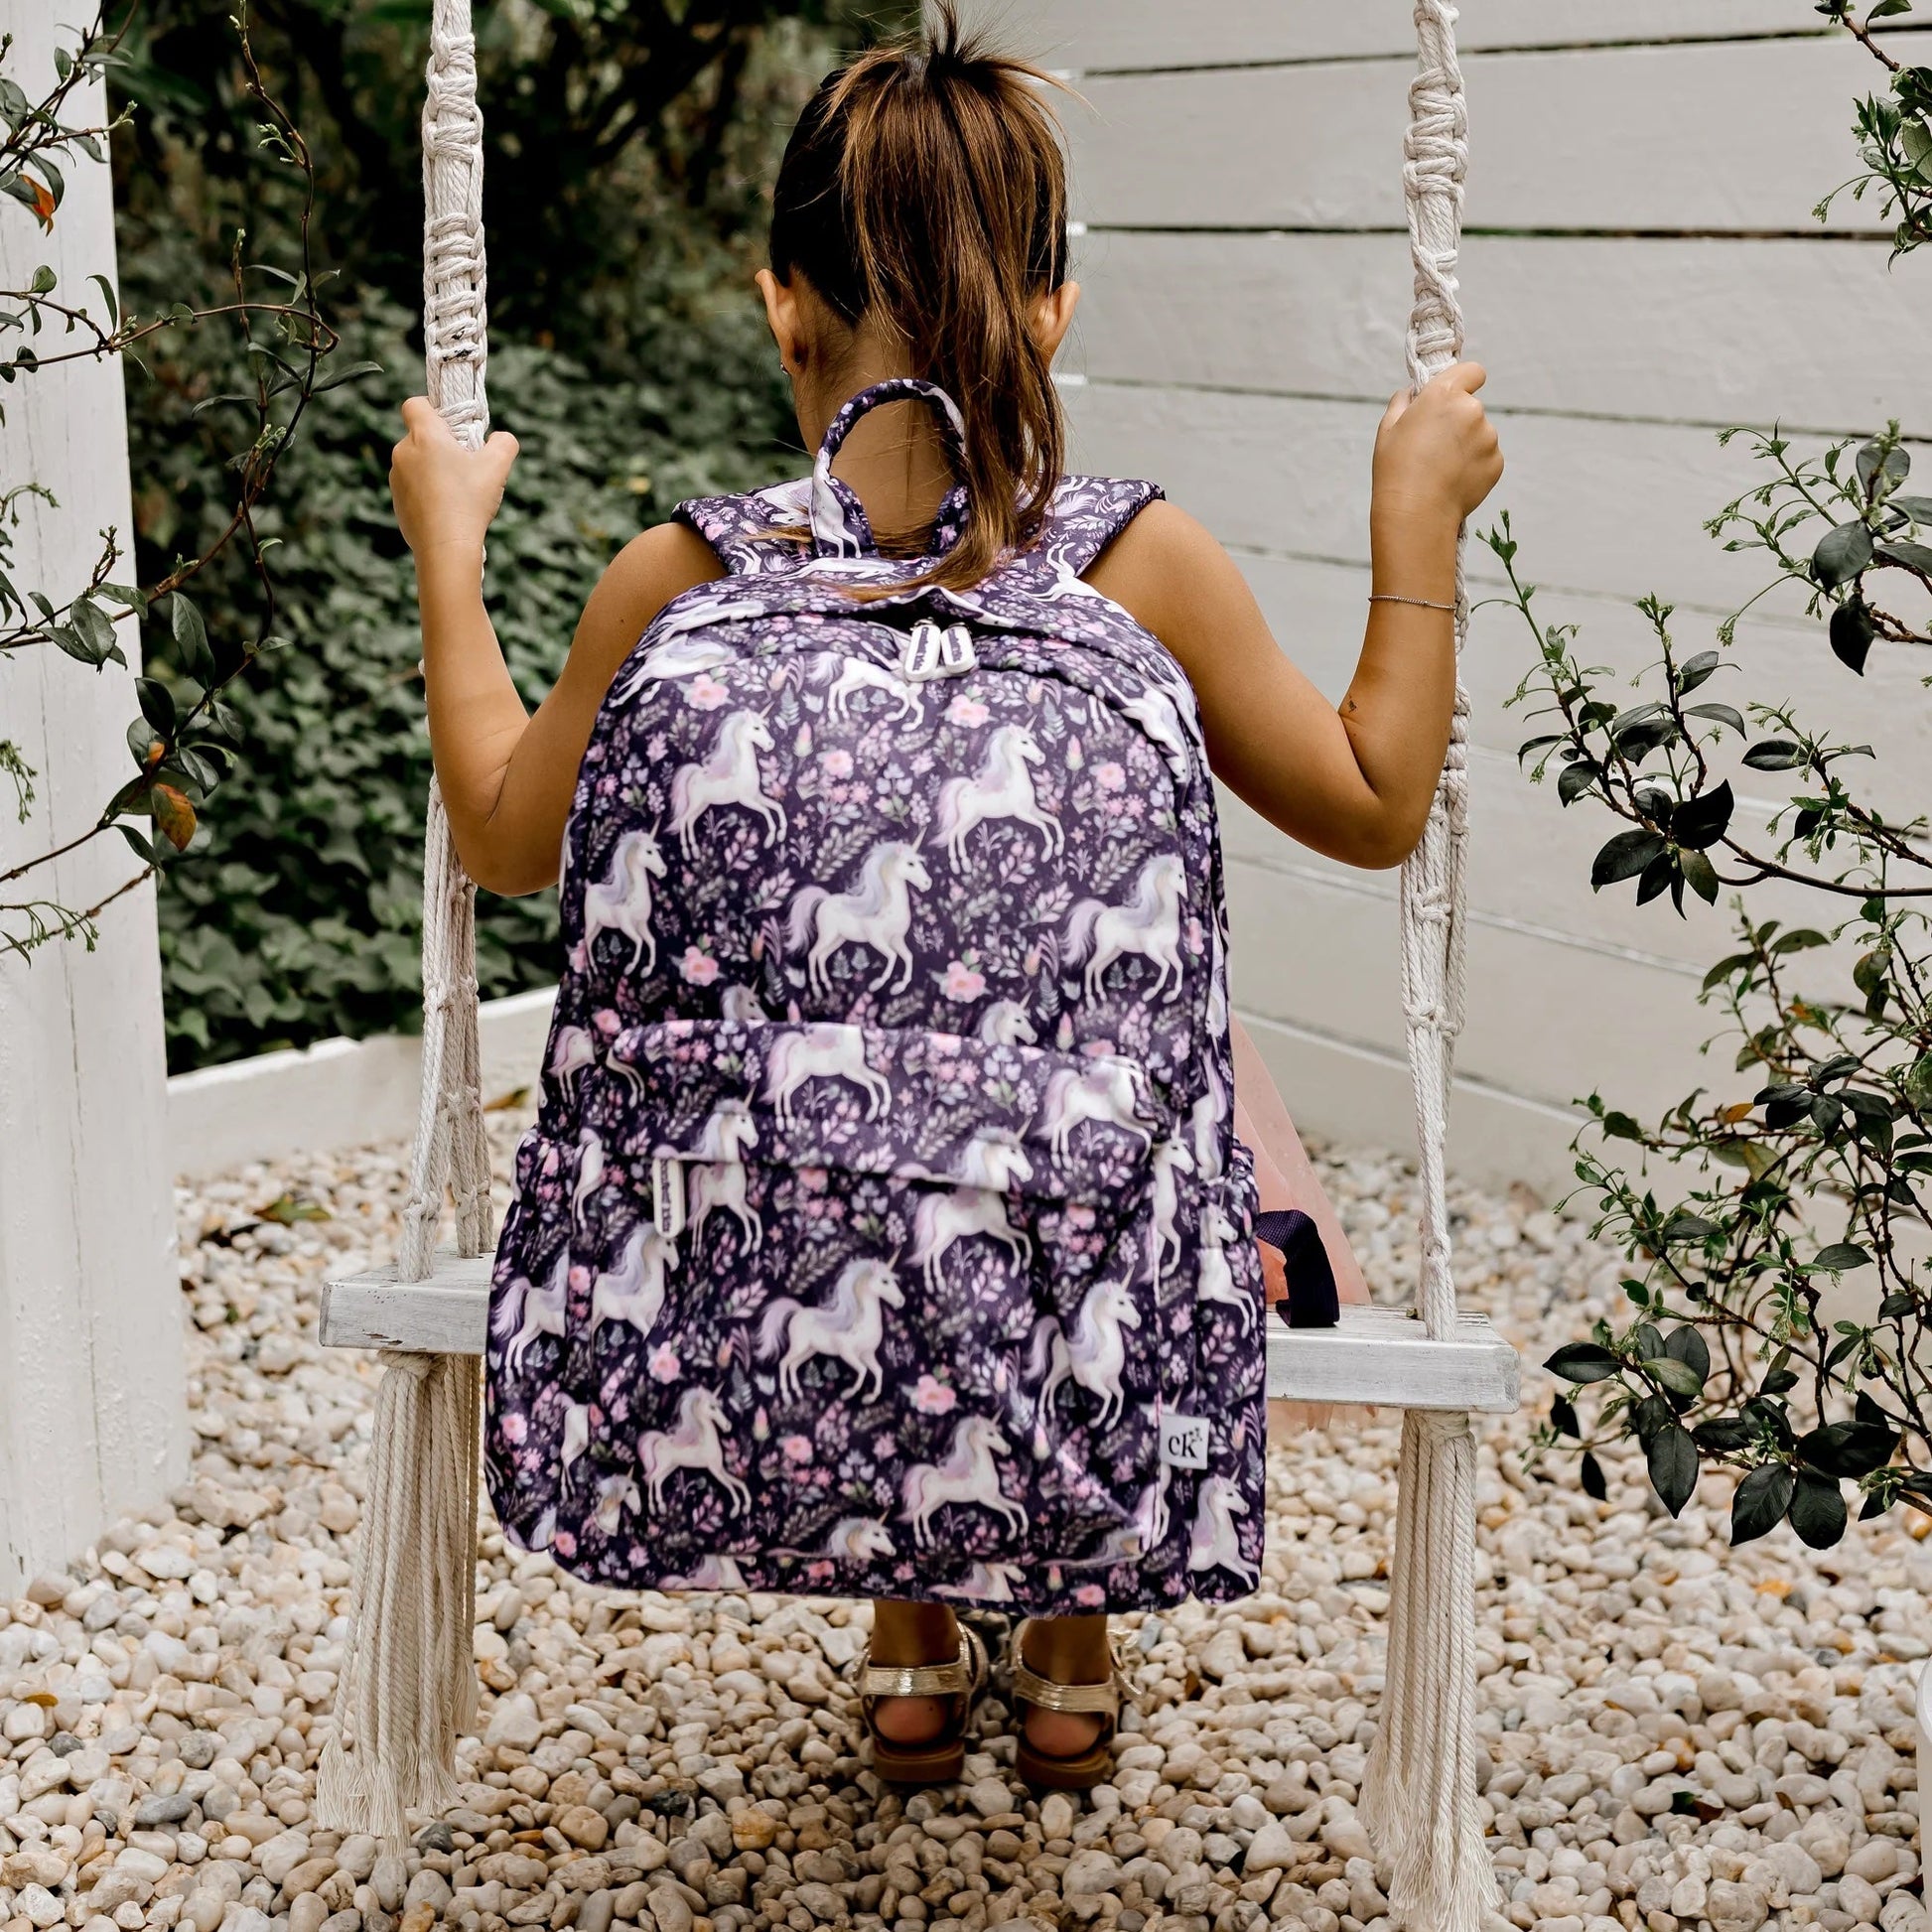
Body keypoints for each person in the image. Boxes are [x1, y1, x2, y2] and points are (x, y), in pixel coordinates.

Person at [388, 5, 1501, 1791]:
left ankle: (909, 1610)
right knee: (1101, 1064)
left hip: (763, 1251)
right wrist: (1414, 518)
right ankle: (1063, 1609)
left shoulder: (675, 578)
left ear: (781, 307)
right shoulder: (1135, 565)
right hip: (1069, 1242)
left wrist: (448, 554)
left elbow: (507, 837)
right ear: (1051, 312)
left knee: (875, 1146)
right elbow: (1373, 800)